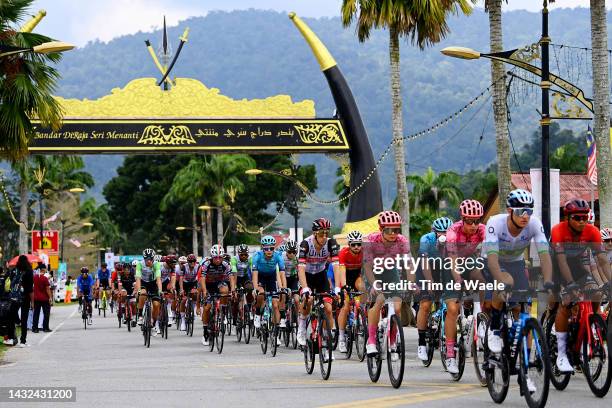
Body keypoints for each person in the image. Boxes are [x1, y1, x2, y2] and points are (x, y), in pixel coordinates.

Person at [484, 189, 552, 392]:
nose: (525, 216)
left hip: (515, 262)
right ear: (509, 210)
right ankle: (495, 327)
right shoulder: (495, 223)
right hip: (491, 261)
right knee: (505, 282)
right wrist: (502, 281)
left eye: (529, 211)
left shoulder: (534, 223)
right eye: (521, 211)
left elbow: (544, 255)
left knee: (523, 312)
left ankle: (525, 368)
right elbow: (493, 260)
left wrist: (548, 281)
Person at [550, 198, 611, 373]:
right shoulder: (558, 230)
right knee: (566, 301)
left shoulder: (592, 231)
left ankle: (590, 322)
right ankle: (561, 354)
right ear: (567, 218)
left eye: (584, 217)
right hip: (555, 263)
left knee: (597, 293)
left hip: (576, 264)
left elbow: (601, 259)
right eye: (577, 218)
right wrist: (569, 285)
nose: (582, 221)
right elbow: (560, 262)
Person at [363, 211, 412, 361]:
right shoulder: (371, 240)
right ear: (381, 229)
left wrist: (410, 282)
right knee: (378, 301)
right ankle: (371, 341)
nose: (393, 234)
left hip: (391, 271)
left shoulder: (402, 240)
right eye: (388, 230)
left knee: (397, 307)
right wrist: (373, 284)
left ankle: (392, 341)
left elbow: (409, 264)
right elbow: (367, 266)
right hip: (373, 272)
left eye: (396, 230)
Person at [296, 218, 340, 353]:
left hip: (321, 276)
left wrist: (337, 287)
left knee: (328, 307)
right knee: (308, 299)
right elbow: (301, 269)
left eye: (327, 233)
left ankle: (327, 342)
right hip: (307, 276)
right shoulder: (306, 244)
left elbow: (336, 266)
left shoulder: (331, 243)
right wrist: (305, 288)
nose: (325, 237)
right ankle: (302, 327)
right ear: (315, 234)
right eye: (321, 234)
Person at [416, 216, 453, 362]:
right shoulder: (426, 239)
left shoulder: (454, 239)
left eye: (447, 233)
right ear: (433, 232)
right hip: (426, 269)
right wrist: (430, 282)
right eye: (440, 233)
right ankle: (421, 343)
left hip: (444, 269)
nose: (444, 236)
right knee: (425, 304)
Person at [196, 245, 235, 346]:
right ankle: (205, 331)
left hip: (219, 283)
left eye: (220, 257)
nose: (218, 260)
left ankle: (222, 310)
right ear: (212, 257)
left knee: (225, 290)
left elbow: (231, 277)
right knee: (207, 308)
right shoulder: (206, 264)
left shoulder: (226, 264)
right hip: (208, 284)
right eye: (215, 257)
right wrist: (204, 291)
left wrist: (233, 290)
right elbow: (202, 279)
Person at [337, 230, 365, 353]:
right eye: (353, 244)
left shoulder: (364, 253)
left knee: (363, 288)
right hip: (345, 277)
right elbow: (342, 271)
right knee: (345, 306)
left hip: (357, 277)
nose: (356, 247)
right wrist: (344, 287)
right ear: (349, 245)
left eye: (358, 244)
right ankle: (341, 337)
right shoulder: (343, 253)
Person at [251, 236, 285, 333]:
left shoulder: (278, 256)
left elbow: (282, 273)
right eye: (266, 248)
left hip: (271, 277)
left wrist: (283, 288)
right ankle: (257, 314)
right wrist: (255, 288)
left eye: (271, 248)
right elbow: (255, 274)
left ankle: (276, 331)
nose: (269, 251)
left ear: (274, 248)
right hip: (260, 276)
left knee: (275, 304)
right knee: (260, 294)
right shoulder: (257, 256)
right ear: (263, 248)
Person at [135, 249, 163, 335]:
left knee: (156, 304)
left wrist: (160, 290)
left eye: (151, 258)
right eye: (146, 259)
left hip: (153, 283)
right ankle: (140, 315)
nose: (149, 260)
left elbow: (158, 279)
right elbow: (138, 279)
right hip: (143, 282)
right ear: (144, 258)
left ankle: (154, 323)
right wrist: (139, 290)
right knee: (142, 294)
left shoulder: (156, 264)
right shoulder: (139, 264)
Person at [11, 256, 34, 347]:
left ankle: (12, 337)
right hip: (25, 297)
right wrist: (32, 301)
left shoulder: (15, 271)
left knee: (13, 316)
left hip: (14, 297)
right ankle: (23, 341)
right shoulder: (29, 271)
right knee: (24, 318)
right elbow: (30, 289)